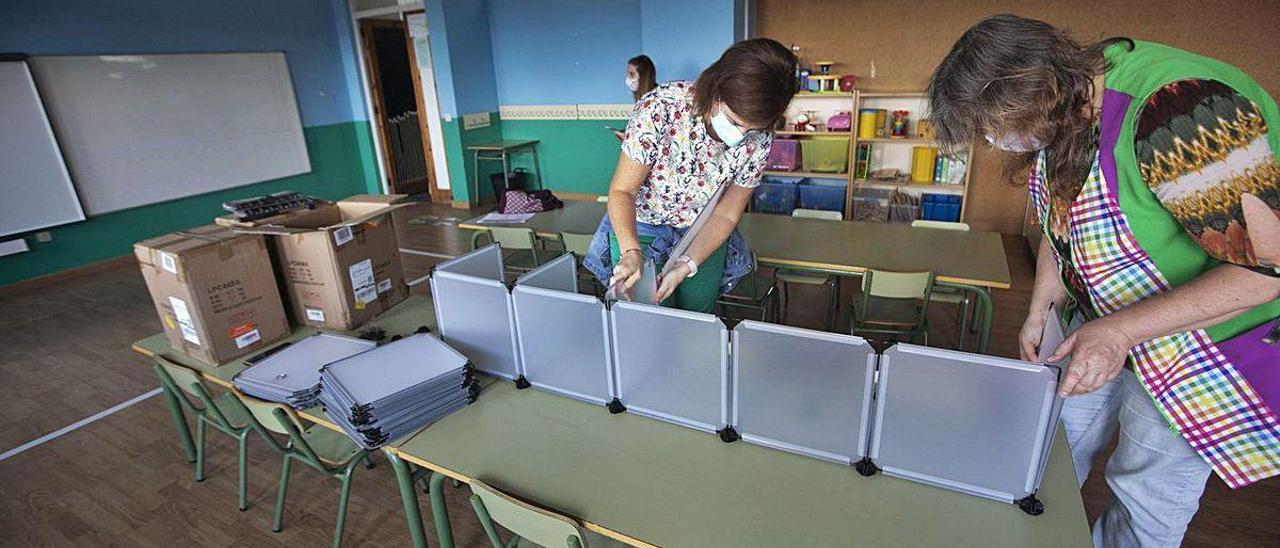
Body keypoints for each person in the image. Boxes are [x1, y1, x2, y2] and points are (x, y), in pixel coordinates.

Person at [928, 14, 1280, 547]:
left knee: (1145, 493)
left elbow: (1263, 272)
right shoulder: (1069, 105)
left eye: (995, 127)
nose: (998, 143)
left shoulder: (1181, 111)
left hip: (1203, 342)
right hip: (1098, 318)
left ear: (1037, 87)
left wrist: (1119, 333)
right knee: (1050, 443)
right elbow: (1067, 208)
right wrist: (1047, 286)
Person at [584, 38, 798, 312]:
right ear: (716, 90)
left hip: (702, 233)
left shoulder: (760, 139)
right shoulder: (660, 109)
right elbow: (622, 191)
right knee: (644, 322)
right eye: (735, 122)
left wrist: (687, 265)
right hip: (642, 228)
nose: (742, 136)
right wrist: (631, 252)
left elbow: (726, 214)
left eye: (753, 128)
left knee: (696, 320)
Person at [614, 55, 659, 140]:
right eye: (627, 74)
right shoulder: (642, 101)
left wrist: (629, 138)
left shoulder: (655, 100)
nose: (628, 78)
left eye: (631, 74)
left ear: (643, 76)